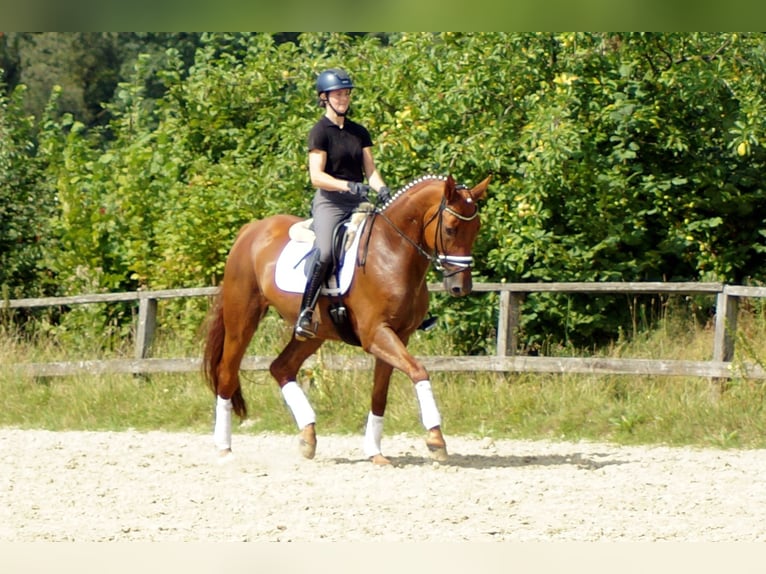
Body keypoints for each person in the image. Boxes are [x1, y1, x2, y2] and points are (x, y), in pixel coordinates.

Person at [295, 67, 391, 340]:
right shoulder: (319, 132)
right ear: (324, 97)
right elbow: (317, 176)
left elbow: (370, 171)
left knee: (391, 241)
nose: (344, 98)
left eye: (346, 94)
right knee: (325, 252)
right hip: (331, 203)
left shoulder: (358, 132)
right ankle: (306, 311)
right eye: (338, 94)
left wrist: (382, 189)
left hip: (359, 202)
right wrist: (347, 185)